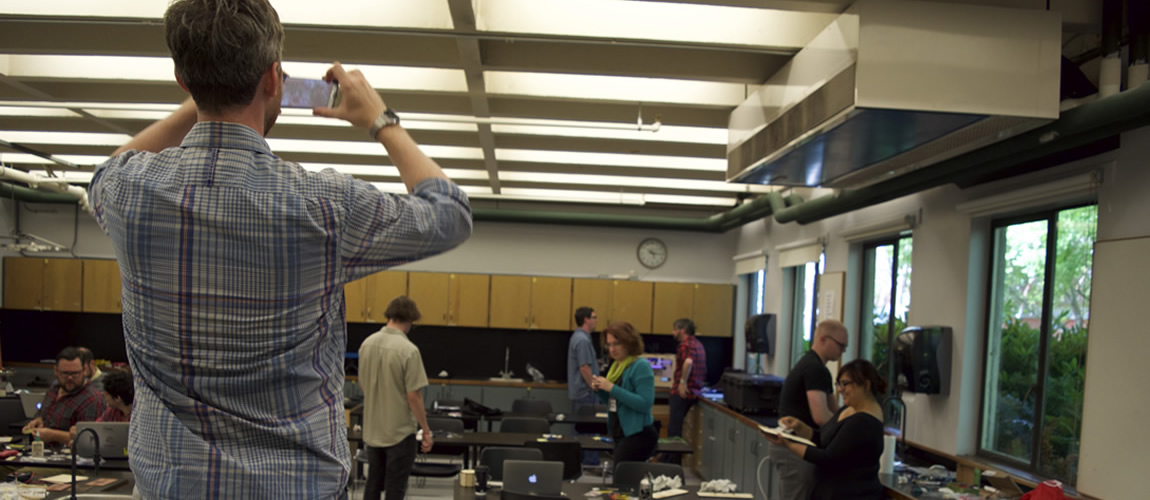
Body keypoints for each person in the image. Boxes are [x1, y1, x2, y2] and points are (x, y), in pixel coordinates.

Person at [85, 0, 472, 496]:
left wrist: (205, 94)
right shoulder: (325, 205)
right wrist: (381, 119)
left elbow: (106, 170)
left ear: (182, 79)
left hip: (172, 486)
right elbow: (449, 214)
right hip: (294, 486)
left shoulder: (129, 191)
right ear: (273, 78)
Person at [764, 359, 886, 500]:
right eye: (838, 384)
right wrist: (799, 427)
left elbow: (827, 457)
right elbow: (822, 438)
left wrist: (788, 444)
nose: (840, 390)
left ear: (866, 385)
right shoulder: (848, 409)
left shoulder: (864, 422)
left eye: (845, 384)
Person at [358, 296, 433, 500]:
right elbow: (413, 395)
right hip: (399, 433)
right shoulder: (408, 350)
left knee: (373, 484)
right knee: (395, 488)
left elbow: (363, 384)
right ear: (410, 319)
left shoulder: (367, 344)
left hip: (373, 431)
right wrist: (426, 430)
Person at [770, 319, 849, 500]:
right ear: (823, 339)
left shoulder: (816, 367)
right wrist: (844, 433)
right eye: (840, 345)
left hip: (794, 444)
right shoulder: (815, 369)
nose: (843, 351)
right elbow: (821, 416)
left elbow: (835, 411)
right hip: (793, 445)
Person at [591, 321, 657, 465]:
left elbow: (645, 403)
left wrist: (612, 388)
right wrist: (600, 390)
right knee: (622, 474)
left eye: (616, 344)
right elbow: (615, 401)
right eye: (609, 345)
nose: (612, 349)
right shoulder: (616, 367)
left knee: (621, 474)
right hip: (620, 431)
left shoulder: (640, 366)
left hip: (638, 433)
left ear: (629, 343)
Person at [22, 347, 106, 445]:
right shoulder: (55, 387)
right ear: (56, 371)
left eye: (75, 373)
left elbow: (90, 438)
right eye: (65, 373)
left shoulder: (92, 400)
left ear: (84, 370)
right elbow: (42, 414)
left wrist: (53, 435)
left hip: (66, 452)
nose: (69, 378)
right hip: (40, 448)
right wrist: (38, 421)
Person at [664, 318, 706, 464]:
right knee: (677, 429)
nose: (673, 333)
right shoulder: (698, 344)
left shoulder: (685, 345)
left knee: (674, 431)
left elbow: (688, 362)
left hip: (682, 393)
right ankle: (670, 461)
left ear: (682, 330)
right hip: (695, 391)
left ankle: (670, 464)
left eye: (675, 329)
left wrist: (682, 382)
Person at [568, 306, 600, 466]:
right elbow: (584, 367)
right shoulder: (583, 340)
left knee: (580, 429)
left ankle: (579, 462)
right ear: (586, 319)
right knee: (588, 429)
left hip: (579, 392)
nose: (596, 320)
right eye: (594, 317)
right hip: (585, 392)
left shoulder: (579, 337)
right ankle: (589, 463)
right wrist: (593, 385)